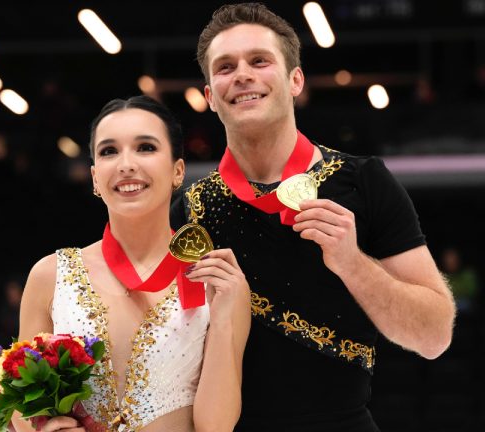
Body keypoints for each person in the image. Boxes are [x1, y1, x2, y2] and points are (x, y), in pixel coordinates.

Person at [170, 3, 456, 430]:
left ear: (295, 80)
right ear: (210, 95)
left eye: (259, 61)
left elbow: (434, 336)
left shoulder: (364, 182)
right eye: (225, 67)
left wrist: (353, 263)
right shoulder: (189, 211)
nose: (243, 74)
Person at [13, 95, 251, 432]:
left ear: (177, 170)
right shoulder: (50, 275)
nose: (126, 164)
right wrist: (39, 428)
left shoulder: (217, 280)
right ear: (95, 177)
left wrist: (225, 318)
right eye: (109, 151)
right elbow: (21, 404)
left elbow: (215, 426)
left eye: (145, 148)